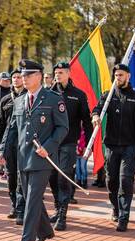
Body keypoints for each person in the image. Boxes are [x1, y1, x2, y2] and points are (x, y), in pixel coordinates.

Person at [0, 59, 69, 241]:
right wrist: (2, 150)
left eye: (28, 75)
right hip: (23, 156)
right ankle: (45, 230)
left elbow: (63, 127)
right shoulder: (19, 100)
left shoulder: (53, 99)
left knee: (32, 199)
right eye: (22, 75)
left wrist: (48, 147)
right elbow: (12, 129)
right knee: (30, 197)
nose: (23, 78)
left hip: (42, 157)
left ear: (38, 76)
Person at [92, 64, 135, 232]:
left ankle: (124, 217)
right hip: (111, 146)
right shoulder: (108, 96)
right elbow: (97, 108)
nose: (118, 78)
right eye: (116, 75)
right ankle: (115, 207)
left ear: (128, 76)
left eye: (121, 75)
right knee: (112, 181)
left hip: (129, 147)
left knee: (125, 181)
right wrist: (95, 116)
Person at [49, 61, 92, 231]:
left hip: (69, 142)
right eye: (56, 72)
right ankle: (57, 207)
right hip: (51, 143)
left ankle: (62, 215)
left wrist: (89, 143)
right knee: (52, 178)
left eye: (61, 72)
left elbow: (86, 121)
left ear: (68, 73)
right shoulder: (48, 93)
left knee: (64, 176)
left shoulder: (78, 95)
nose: (58, 75)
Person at [0, 68, 26, 223]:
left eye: (19, 77)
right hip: (8, 144)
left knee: (21, 177)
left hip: (24, 144)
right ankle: (14, 204)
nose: (16, 80)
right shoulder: (5, 100)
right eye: (14, 78)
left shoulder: (28, 97)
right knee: (11, 177)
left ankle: (21, 208)